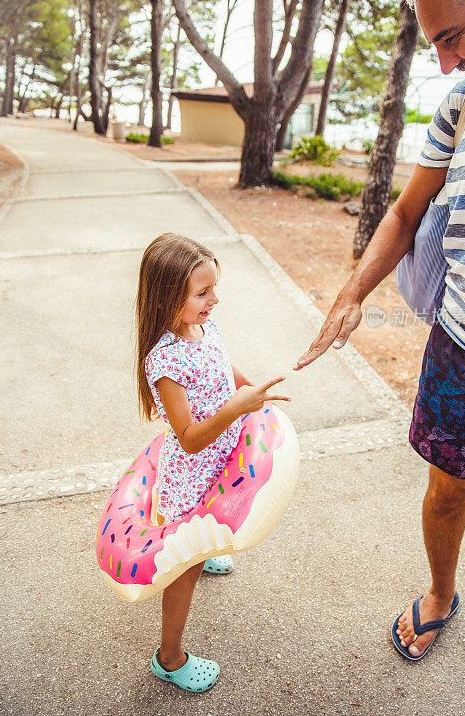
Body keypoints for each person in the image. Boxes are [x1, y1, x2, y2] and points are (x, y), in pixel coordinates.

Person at [294, 0, 465, 712]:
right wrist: (351, 295)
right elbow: (403, 211)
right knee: (446, 494)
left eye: (452, 35)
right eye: (433, 43)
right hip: (461, 348)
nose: (446, 62)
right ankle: (438, 593)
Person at [136, 232, 289, 692]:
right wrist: (234, 409)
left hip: (222, 454)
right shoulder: (164, 361)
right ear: (168, 298)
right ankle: (169, 657)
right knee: (188, 566)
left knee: (216, 526)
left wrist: (252, 392)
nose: (214, 299)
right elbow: (187, 439)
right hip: (193, 472)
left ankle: (208, 548)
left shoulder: (204, 327)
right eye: (203, 293)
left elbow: (225, 368)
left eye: (213, 289)